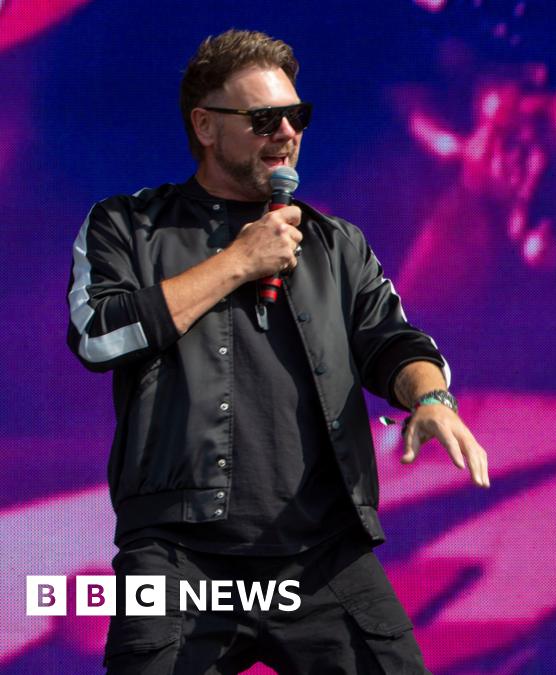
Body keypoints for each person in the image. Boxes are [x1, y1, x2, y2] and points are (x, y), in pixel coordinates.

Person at [66, 29, 488, 674]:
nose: (287, 132)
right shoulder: (128, 225)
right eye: (265, 119)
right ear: (205, 126)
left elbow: (393, 340)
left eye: (297, 115)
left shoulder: (335, 243)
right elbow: (99, 334)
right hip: (180, 554)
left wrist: (430, 396)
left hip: (321, 551)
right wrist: (238, 261)